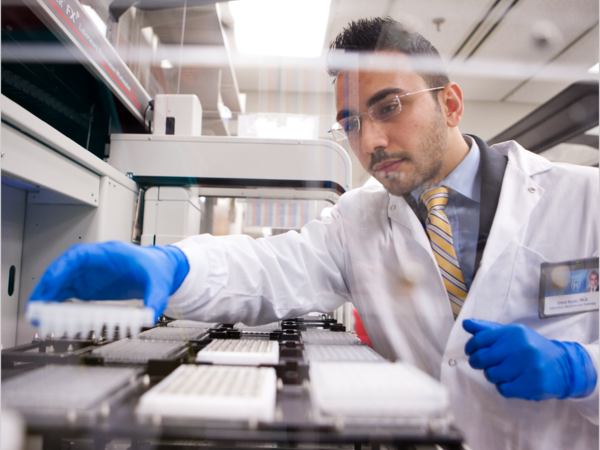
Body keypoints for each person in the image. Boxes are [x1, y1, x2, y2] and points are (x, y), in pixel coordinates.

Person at [29, 18, 598, 450]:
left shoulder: (585, 199)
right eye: (350, 122)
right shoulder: (360, 219)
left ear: (450, 104)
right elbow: (273, 267)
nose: (369, 140)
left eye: (389, 107)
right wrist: (174, 265)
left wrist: (581, 368)